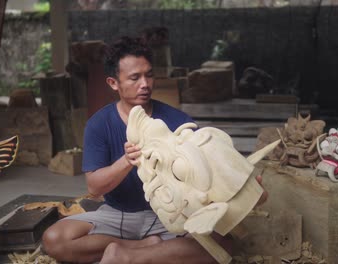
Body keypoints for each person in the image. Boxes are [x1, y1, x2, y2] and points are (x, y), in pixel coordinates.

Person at [42, 36, 267, 264]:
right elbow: (94, 187)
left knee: (223, 244)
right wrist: (127, 160)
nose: (145, 84)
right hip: (118, 214)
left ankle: (126, 257)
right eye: (134, 77)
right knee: (55, 239)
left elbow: (207, 172)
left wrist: (243, 187)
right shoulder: (99, 124)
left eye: (149, 74)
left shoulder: (178, 120)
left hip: (170, 216)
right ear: (113, 83)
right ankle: (144, 248)